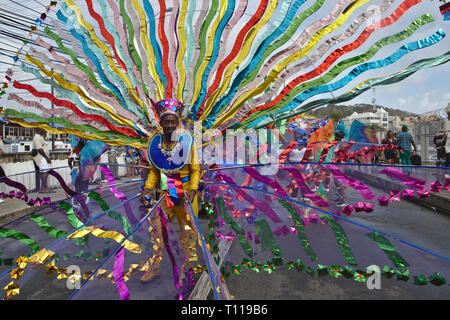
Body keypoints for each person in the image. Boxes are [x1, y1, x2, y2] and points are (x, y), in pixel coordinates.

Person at [140, 99, 200, 282]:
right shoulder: (155, 143)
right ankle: (155, 266)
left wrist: (194, 189)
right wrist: (148, 188)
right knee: (157, 231)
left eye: (173, 121)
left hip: (186, 191)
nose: (170, 125)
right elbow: (154, 171)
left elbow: (196, 169)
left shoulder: (187, 141)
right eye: (167, 122)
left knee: (188, 233)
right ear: (161, 123)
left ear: (178, 122)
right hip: (167, 190)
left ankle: (186, 269)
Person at [32, 128, 53, 193]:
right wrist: (47, 158)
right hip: (41, 158)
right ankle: (44, 188)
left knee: (44, 172)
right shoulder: (37, 137)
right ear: (38, 130)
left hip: (43, 157)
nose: (45, 130)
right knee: (45, 172)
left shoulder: (40, 137)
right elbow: (40, 149)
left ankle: (42, 188)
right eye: (43, 129)